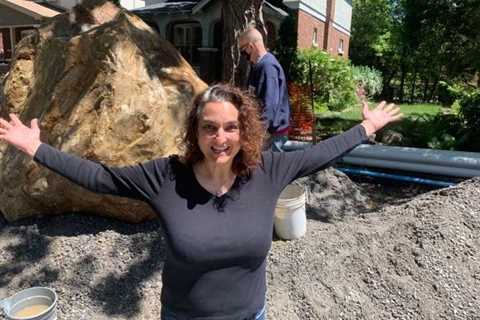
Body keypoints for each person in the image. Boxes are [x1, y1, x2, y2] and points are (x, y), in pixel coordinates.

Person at [0, 84, 402, 320]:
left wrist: (367, 126)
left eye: (231, 127)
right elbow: (100, 177)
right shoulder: (165, 177)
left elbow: (322, 153)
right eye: (209, 128)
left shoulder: (269, 172)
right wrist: (37, 148)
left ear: (245, 132)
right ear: (196, 131)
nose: (220, 138)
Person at [239, 27, 291, 152]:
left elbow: (269, 106)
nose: (243, 55)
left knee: (269, 169)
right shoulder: (258, 65)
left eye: (242, 50)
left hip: (272, 134)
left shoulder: (267, 67)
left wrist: (257, 135)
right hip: (266, 131)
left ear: (251, 47)